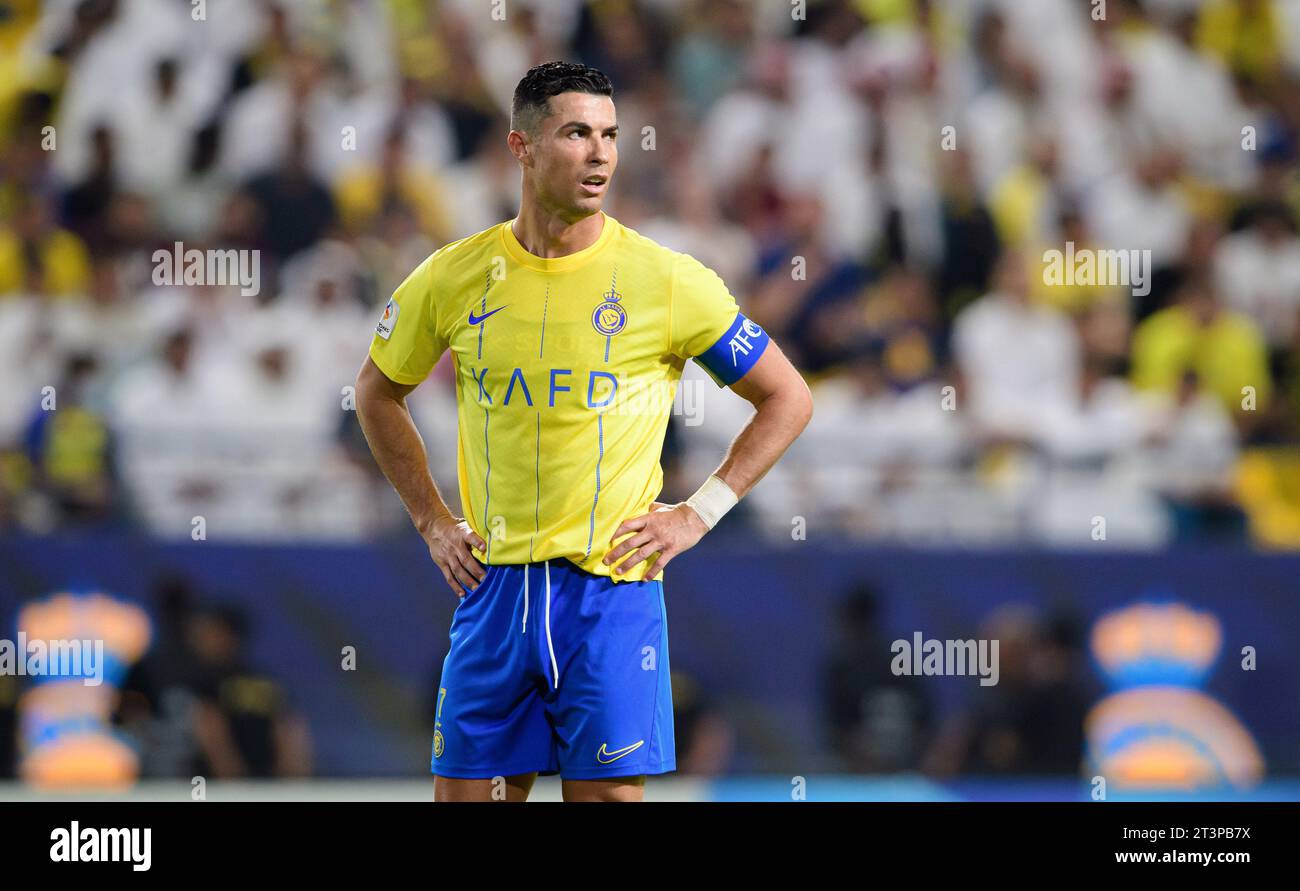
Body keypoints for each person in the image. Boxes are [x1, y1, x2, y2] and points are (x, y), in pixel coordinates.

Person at [355, 61, 812, 802]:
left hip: (610, 593)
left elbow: (787, 397)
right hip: (494, 588)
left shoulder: (666, 279)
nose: (600, 153)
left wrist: (700, 513)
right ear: (522, 147)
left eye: (609, 135)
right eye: (576, 133)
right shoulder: (453, 276)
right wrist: (432, 521)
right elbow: (376, 393)